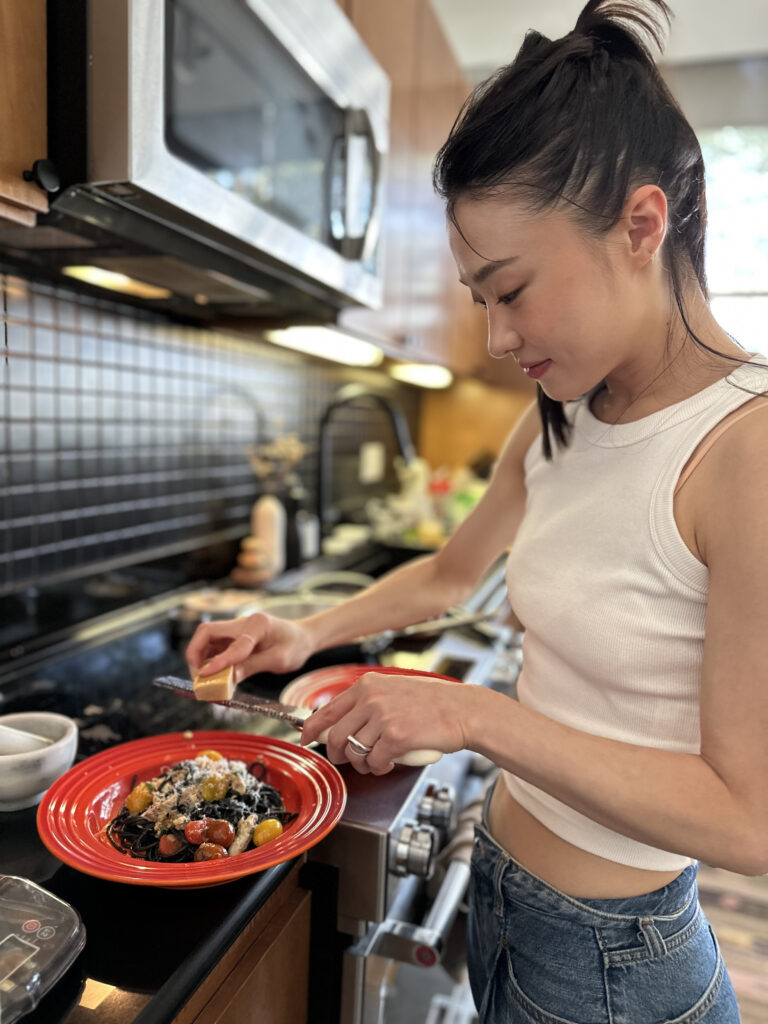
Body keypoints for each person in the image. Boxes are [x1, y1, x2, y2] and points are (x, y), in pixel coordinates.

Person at [187, 1, 766, 1019]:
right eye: (477, 298)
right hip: (506, 902)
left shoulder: (744, 450)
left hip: (618, 966)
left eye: (511, 289)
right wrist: (304, 629)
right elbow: (454, 572)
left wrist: (472, 715)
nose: (496, 338)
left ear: (641, 225)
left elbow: (748, 816)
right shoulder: (562, 416)